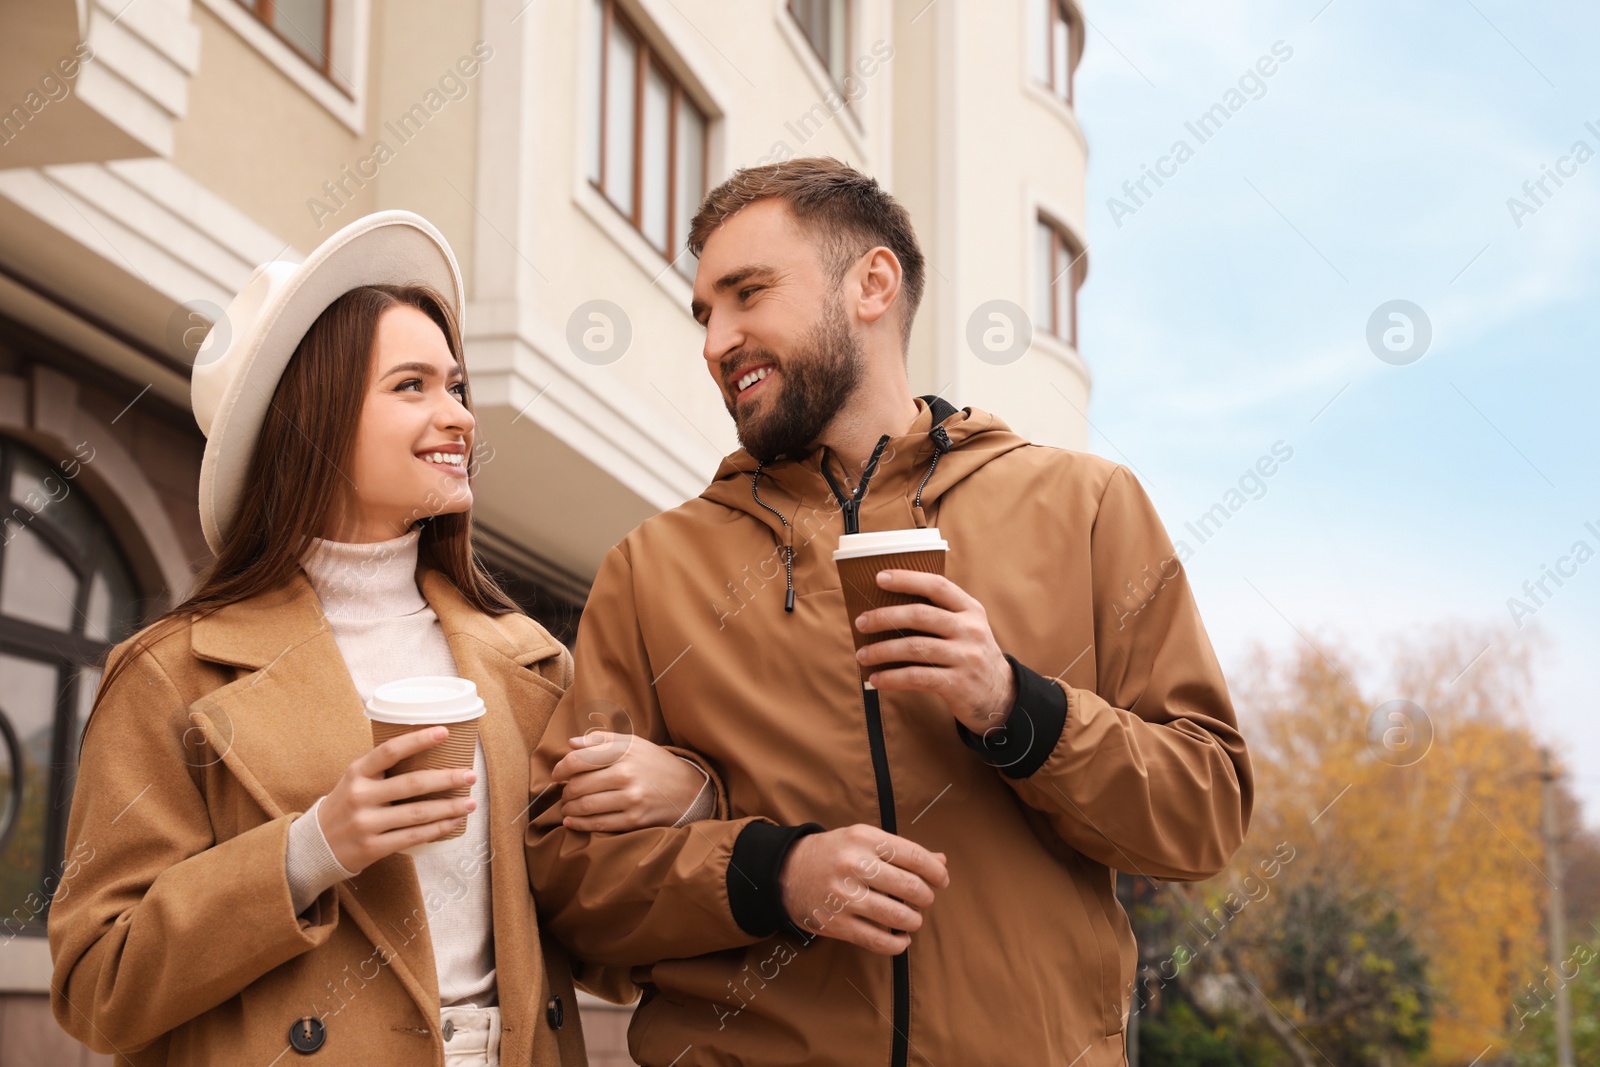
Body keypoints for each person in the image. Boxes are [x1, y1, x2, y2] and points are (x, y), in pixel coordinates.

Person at [524, 159, 1254, 1066]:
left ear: (872, 283)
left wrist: (1015, 708)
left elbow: (1205, 814)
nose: (716, 340)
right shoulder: (652, 568)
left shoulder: (1088, 505)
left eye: (747, 293)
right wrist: (771, 873)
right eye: (704, 312)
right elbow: (562, 880)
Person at [48, 211, 714, 1067]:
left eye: (457, 386)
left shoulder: (531, 666)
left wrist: (683, 799)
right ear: (312, 419)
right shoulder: (171, 676)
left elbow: (611, 951)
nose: (460, 417)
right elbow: (95, 985)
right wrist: (312, 848)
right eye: (412, 386)